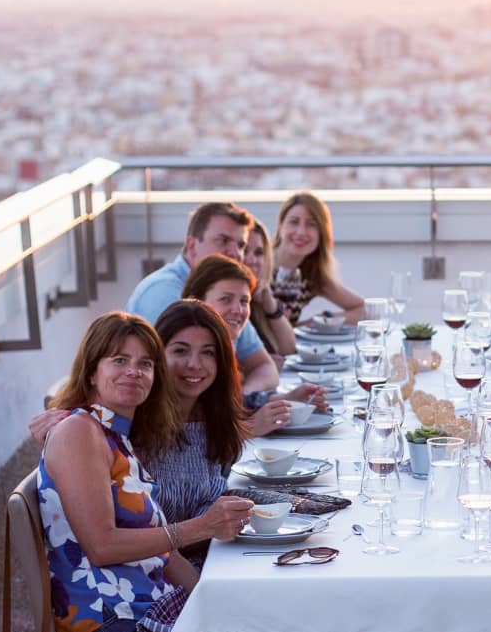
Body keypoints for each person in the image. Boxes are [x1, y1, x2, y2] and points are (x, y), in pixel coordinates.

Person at [37, 312, 252, 632]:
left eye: (145, 364)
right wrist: (203, 526)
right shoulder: (78, 432)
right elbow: (102, 547)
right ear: (92, 372)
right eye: (120, 360)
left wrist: (218, 604)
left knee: (263, 611)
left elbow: (168, 555)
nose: (134, 372)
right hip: (112, 615)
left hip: (151, 601)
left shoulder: (116, 436)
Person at [125, 202, 280, 395]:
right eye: (223, 240)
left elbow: (265, 367)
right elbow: (177, 382)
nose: (236, 253)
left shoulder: (230, 298)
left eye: (241, 245)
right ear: (191, 245)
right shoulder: (164, 292)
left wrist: (246, 397)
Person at [146, 300, 251, 566]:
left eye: (208, 353)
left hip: (209, 558)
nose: (194, 364)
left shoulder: (211, 420)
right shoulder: (138, 424)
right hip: (156, 573)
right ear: (158, 356)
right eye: (181, 350)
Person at [180, 254, 327, 436]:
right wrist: (247, 428)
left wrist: (285, 399)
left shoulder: (221, 346)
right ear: (196, 301)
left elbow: (233, 400)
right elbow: (182, 439)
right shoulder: (186, 352)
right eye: (226, 299)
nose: (238, 310)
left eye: (244, 301)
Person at [271, 191, 364, 325]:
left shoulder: (312, 276)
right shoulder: (257, 262)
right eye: (294, 222)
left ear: (321, 233)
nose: (301, 232)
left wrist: (316, 322)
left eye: (311, 224)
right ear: (280, 226)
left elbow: (367, 311)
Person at [243, 218, 296, 371]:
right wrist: (258, 364)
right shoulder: (228, 302)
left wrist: (270, 303)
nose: (252, 260)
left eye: (259, 253)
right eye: (245, 250)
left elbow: (288, 349)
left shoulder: (258, 298)